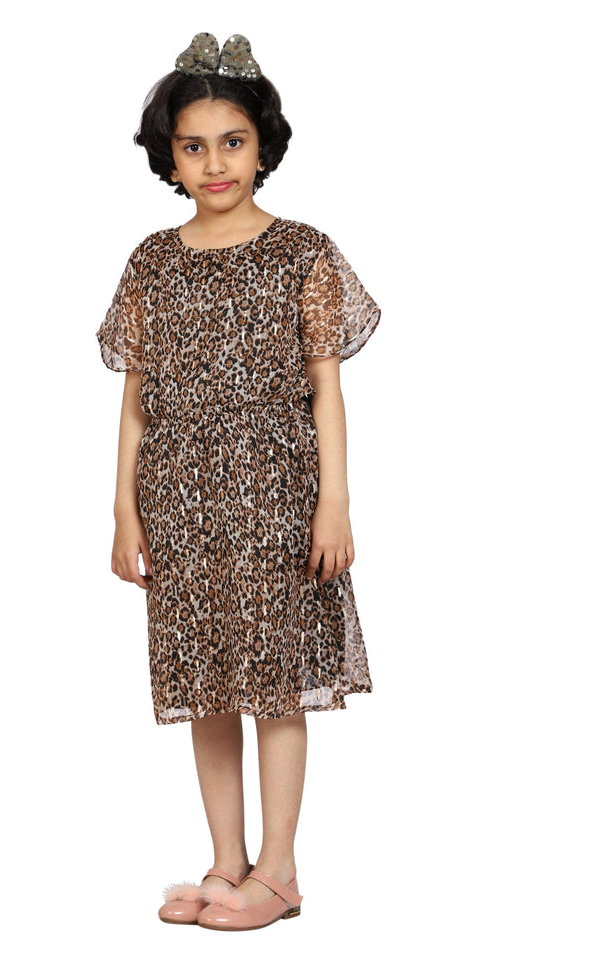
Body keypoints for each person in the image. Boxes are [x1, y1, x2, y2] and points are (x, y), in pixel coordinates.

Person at [95, 32, 381, 932]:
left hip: (276, 495)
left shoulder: (303, 251)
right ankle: (228, 861)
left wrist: (334, 502)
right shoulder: (151, 261)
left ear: (263, 147)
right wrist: (123, 510)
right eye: (194, 146)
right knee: (204, 678)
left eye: (232, 142)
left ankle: (280, 872)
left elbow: (327, 390)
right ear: (169, 155)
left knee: (274, 678)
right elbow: (136, 402)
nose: (214, 164)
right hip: (180, 499)